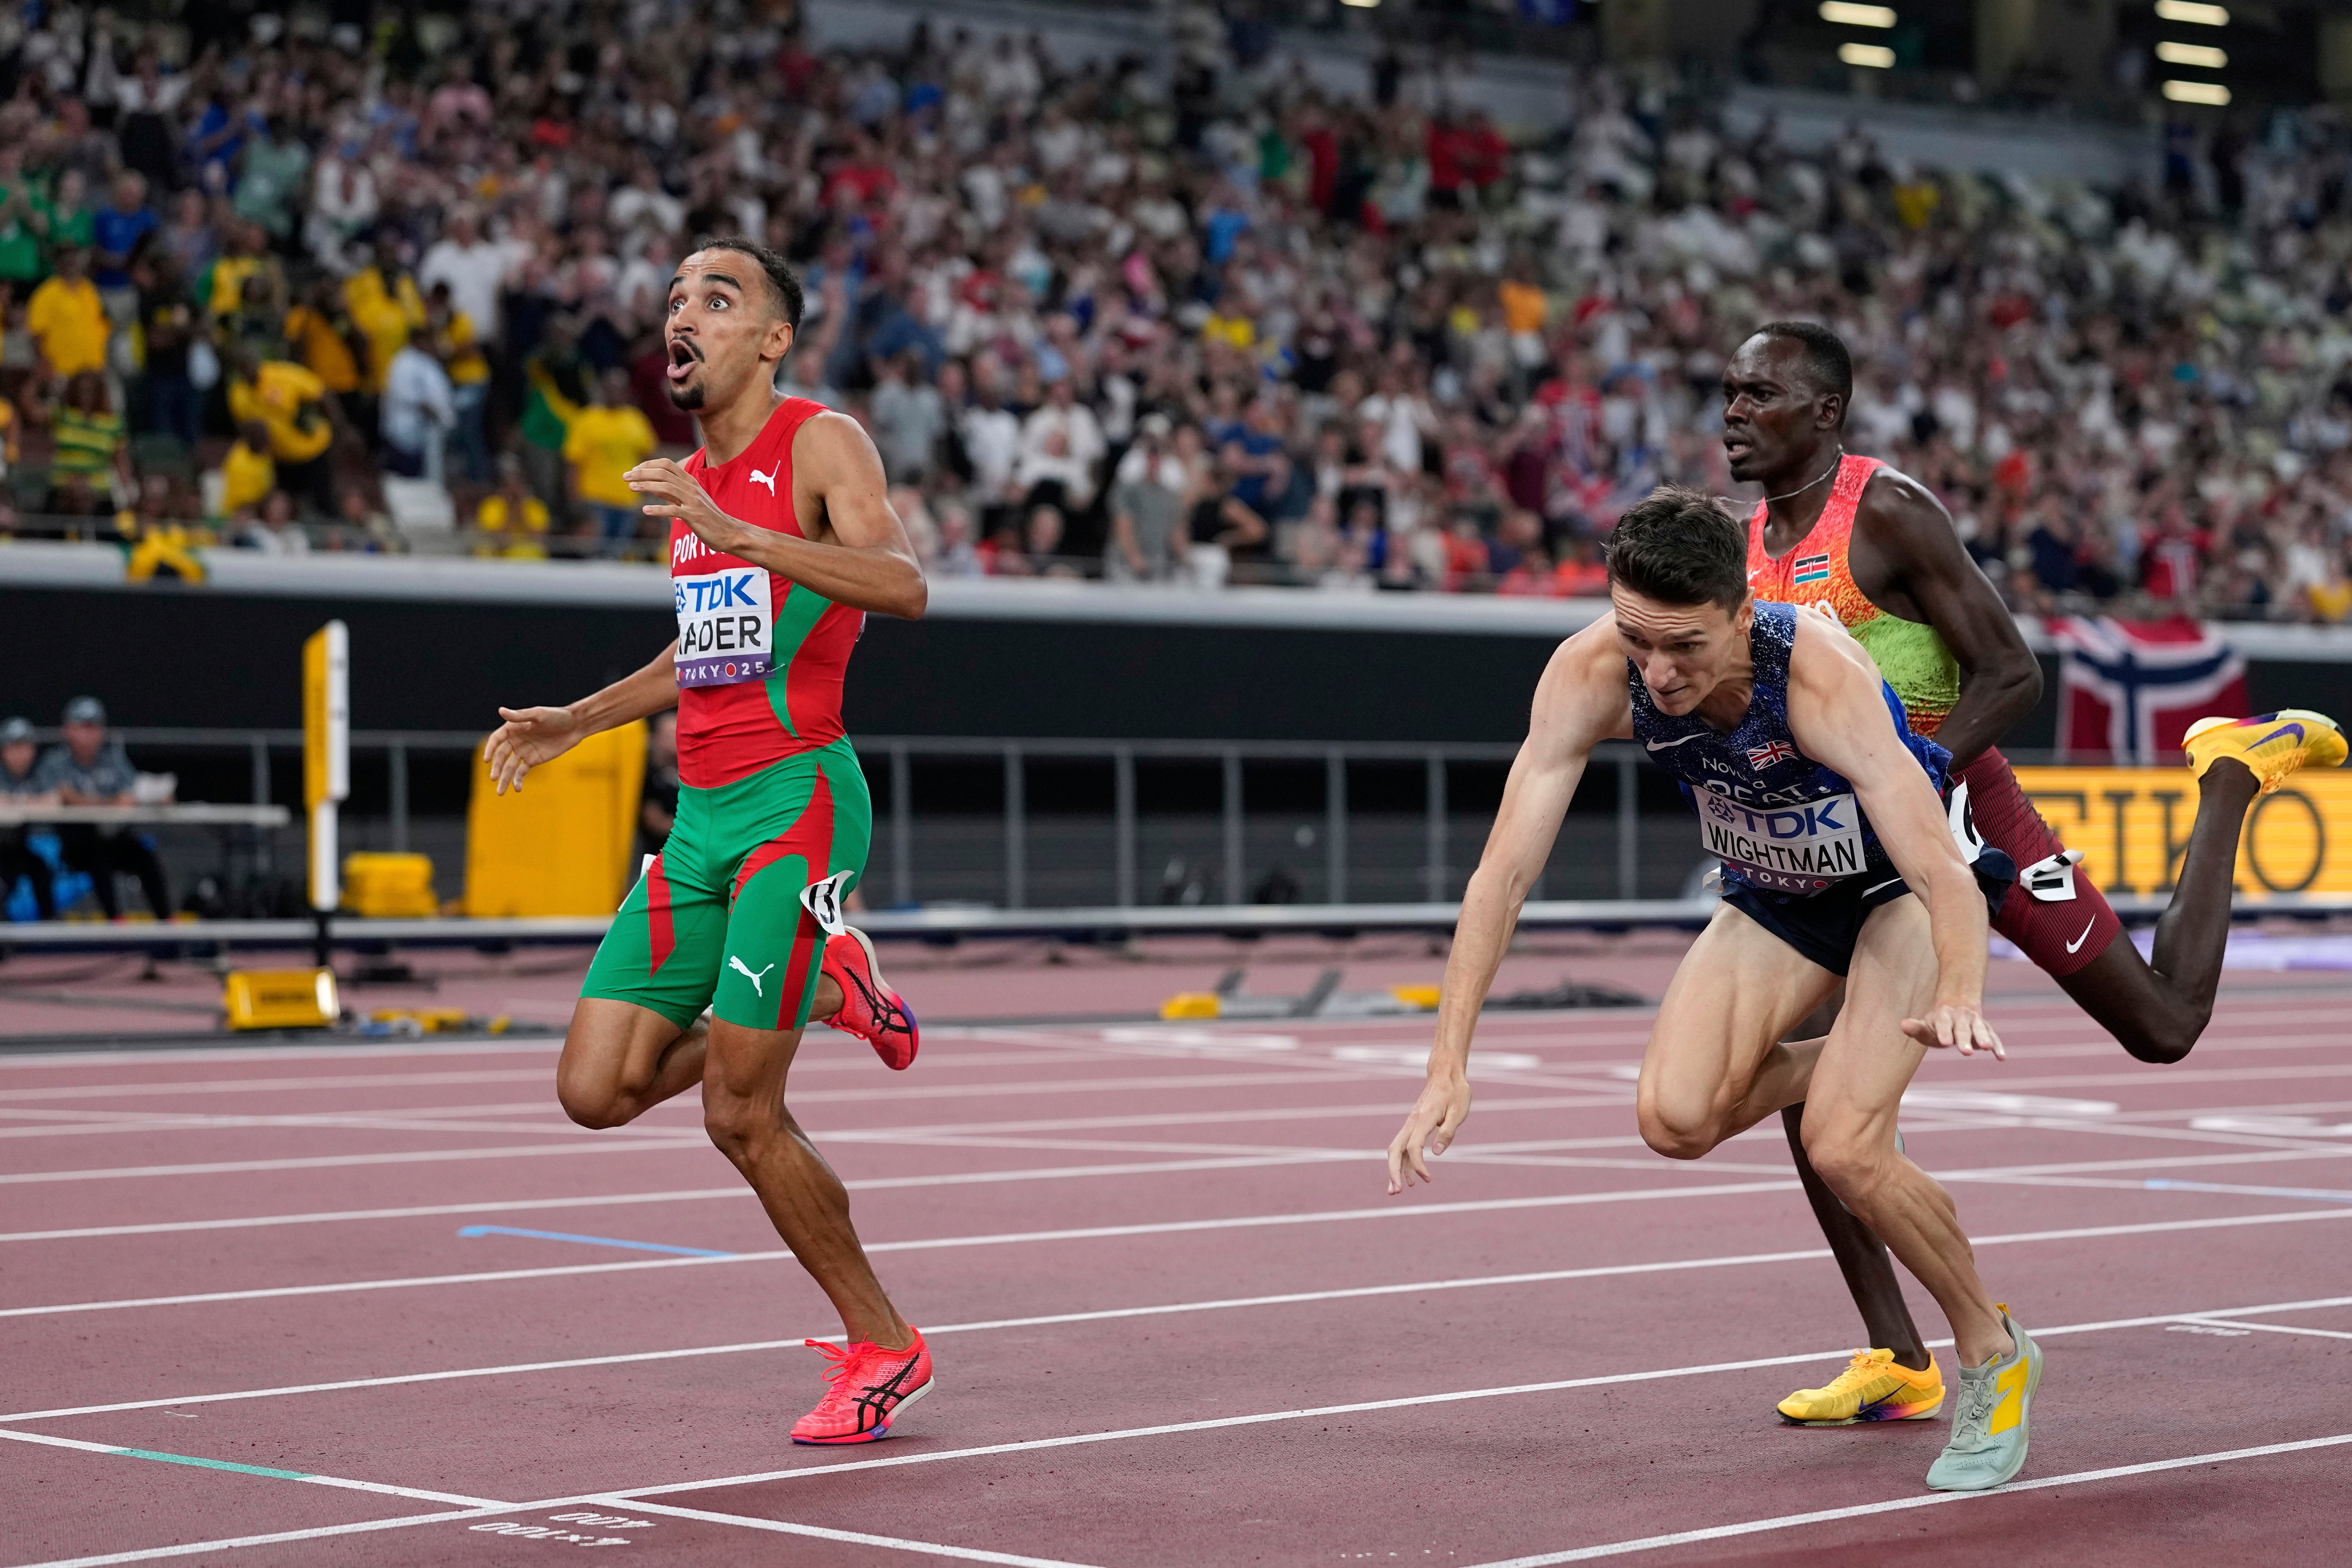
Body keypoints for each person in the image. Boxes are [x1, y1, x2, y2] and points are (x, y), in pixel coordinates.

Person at [1722, 321, 2349, 1426]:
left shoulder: (1890, 514)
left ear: (1823, 412)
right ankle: (1900, 1355)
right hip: (1852, 848)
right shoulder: (1737, 545)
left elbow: (2013, 672)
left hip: (1967, 818)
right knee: (1809, 1073)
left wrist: (1911, 784)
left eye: (1756, 392)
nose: (1730, 408)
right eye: (1725, 388)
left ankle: (2232, 777)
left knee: (2160, 1025)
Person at [1386, 485, 2038, 1494]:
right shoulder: (1593, 670)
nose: (1658, 670)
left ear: (1744, 610)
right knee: (1675, 1119)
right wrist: (1446, 1065)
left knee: (1844, 1147)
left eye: (1685, 645)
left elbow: (1939, 868)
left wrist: (1959, 987)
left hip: (1894, 890)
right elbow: (1502, 875)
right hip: (1776, 892)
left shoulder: (1817, 675)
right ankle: (1854, 1061)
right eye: (1638, 637)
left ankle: (1993, 1354)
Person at [481, 237, 935, 1447]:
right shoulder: (682, 484)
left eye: (717, 298)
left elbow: (901, 583)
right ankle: (817, 987)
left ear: (772, 340)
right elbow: (706, 653)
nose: (685, 312)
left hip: (799, 801)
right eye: (676, 295)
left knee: (739, 1109)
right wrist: (578, 718)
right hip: (701, 820)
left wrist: (744, 535)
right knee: (593, 1089)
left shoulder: (820, 441)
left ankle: (887, 1345)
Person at [34, 697, 172, 920]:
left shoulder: (114, 760)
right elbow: (61, 798)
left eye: (95, 727)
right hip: (76, 844)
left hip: (113, 837)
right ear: (69, 730)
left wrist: (157, 795)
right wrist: (111, 802)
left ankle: (168, 925)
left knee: (144, 856)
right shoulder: (54, 762)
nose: (91, 735)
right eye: (84, 727)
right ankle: (116, 924)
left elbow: (134, 792)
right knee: (97, 858)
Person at [562, 366, 659, 555]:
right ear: (603, 390)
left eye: (620, 388)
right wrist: (573, 500)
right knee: (594, 554)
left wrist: (648, 496)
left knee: (617, 555)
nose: (615, 393)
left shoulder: (637, 420)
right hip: (595, 499)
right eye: (611, 388)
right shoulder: (588, 419)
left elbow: (649, 460)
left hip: (628, 501)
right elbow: (572, 464)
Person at [0, 716, 59, 920]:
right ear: (3, 750)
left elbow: (54, 801)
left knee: (40, 868)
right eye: (12, 747)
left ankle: (51, 932)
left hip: (17, 849)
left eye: (24, 747)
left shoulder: (40, 773)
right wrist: (28, 802)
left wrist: (16, 802)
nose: (19, 754)